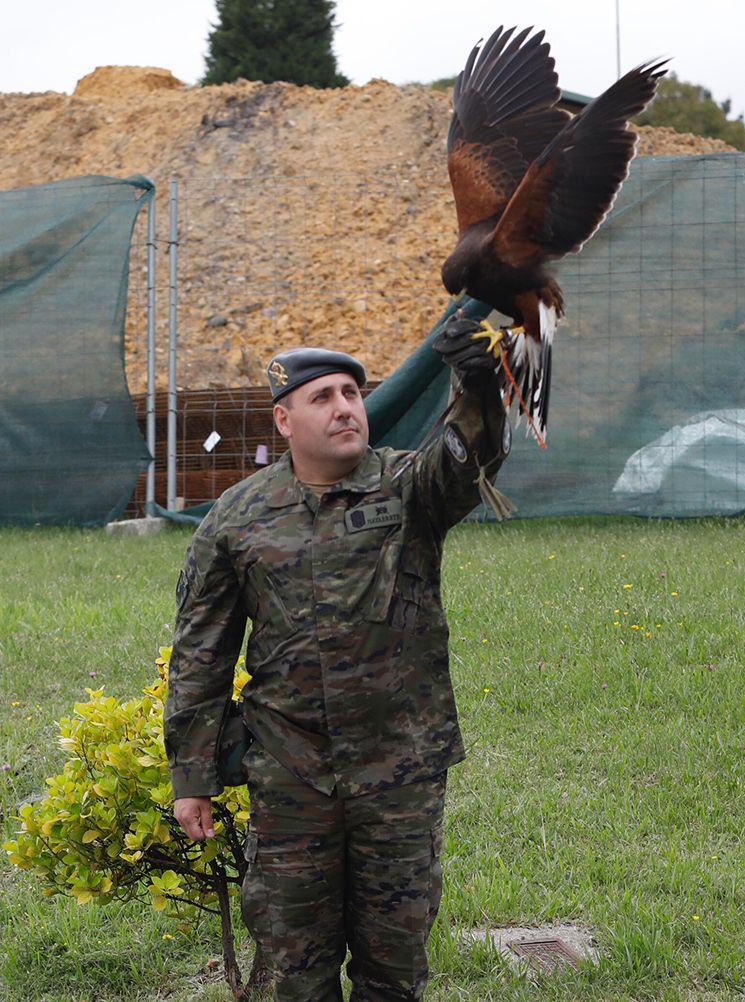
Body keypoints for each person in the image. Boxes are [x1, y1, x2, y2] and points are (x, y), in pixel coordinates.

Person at [164, 315, 511, 1002]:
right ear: (284, 420)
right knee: (293, 969)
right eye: (322, 397)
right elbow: (202, 651)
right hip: (292, 777)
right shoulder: (237, 521)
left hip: (400, 772)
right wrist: (191, 775)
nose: (346, 407)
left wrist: (477, 386)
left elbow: (469, 462)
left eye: (352, 392)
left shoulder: (409, 489)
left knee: (395, 965)